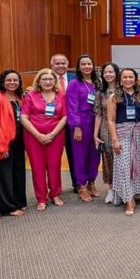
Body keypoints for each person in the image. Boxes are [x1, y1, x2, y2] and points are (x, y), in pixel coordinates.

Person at [20, 68, 68, 211]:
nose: (47, 82)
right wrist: (38, 135)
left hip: (56, 135)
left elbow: (65, 117)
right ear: (39, 81)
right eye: (44, 79)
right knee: (37, 167)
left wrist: (52, 134)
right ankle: (41, 198)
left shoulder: (61, 95)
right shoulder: (30, 95)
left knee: (54, 165)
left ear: (55, 81)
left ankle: (55, 194)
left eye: (50, 79)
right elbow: (24, 118)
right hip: (33, 136)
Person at [0, 70, 26, 217]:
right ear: (2, 81)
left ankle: (17, 202)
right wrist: (2, 146)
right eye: (9, 80)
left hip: (18, 141)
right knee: (3, 175)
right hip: (4, 141)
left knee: (17, 173)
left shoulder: (18, 97)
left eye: (15, 80)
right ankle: (5, 207)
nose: (12, 83)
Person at [108, 68, 140, 216]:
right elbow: (111, 120)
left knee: (135, 166)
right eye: (125, 77)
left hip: (136, 134)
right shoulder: (114, 97)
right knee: (123, 166)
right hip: (121, 134)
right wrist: (114, 140)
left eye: (131, 77)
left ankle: (133, 194)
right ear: (120, 80)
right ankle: (128, 200)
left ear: (135, 79)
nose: (128, 80)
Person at [67, 54, 102, 202]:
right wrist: (76, 126)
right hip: (81, 123)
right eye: (83, 64)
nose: (87, 67)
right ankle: (82, 186)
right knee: (80, 155)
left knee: (95, 154)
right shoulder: (74, 84)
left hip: (97, 122)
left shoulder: (97, 83)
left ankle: (91, 182)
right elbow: (72, 107)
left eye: (89, 64)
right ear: (79, 67)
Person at [50, 53, 78, 192]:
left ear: (67, 65)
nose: (61, 66)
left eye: (63, 63)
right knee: (53, 158)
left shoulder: (76, 78)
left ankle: (77, 184)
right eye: (57, 63)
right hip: (53, 124)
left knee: (75, 155)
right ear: (52, 65)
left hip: (73, 123)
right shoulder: (46, 78)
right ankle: (54, 188)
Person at [94, 62, 119, 203]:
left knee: (122, 158)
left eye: (111, 72)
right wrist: (95, 134)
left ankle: (124, 189)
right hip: (105, 128)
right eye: (105, 72)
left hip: (121, 127)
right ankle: (111, 189)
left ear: (116, 73)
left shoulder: (122, 90)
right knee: (108, 157)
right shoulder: (100, 93)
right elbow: (98, 114)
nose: (108, 74)